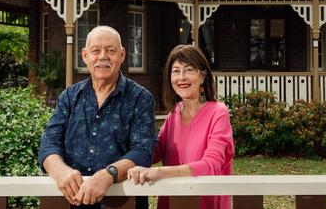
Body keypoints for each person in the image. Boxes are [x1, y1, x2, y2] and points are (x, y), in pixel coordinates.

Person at [39, 26, 155, 208]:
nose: (103, 57)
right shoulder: (69, 97)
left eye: (111, 51)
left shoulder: (141, 99)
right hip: (73, 200)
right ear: (85, 55)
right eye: (96, 51)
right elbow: (49, 142)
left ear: (122, 55)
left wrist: (108, 174)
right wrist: (60, 171)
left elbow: (143, 151)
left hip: (123, 202)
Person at [127, 44, 234, 209]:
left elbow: (211, 165)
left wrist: (160, 173)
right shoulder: (174, 113)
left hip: (205, 205)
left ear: (203, 76)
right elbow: (153, 151)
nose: (181, 77)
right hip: (171, 203)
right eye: (176, 71)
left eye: (189, 70)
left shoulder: (218, 112)